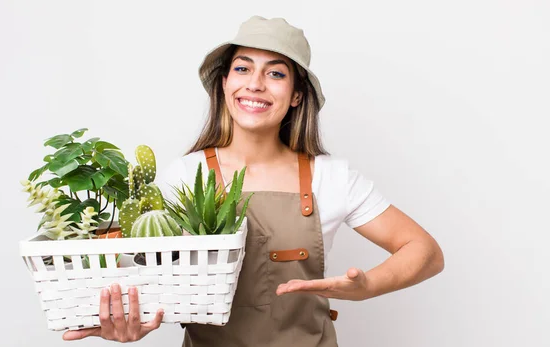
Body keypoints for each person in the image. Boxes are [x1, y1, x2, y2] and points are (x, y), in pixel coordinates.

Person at [63, 15, 445, 345]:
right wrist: (134, 322)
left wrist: (367, 287)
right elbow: (150, 279)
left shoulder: (331, 177)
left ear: (296, 95)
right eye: (243, 68)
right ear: (225, 83)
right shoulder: (183, 176)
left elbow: (425, 251)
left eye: (275, 73)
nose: (255, 84)